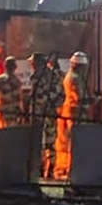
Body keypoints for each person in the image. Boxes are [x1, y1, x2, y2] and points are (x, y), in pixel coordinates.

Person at [54, 51, 92, 180]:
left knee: (68, 141)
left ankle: (65, 169)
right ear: (79, 66)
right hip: (75, 113)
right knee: (75, 141)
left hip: (71, 111)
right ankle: (71, 170)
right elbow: (79, 98)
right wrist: (93, 100)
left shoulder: (71, 76)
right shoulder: (75, 78)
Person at [28, 52, 64, 178]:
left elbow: (37, 97)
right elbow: (61, 94)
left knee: (37, 143)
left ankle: (38, 169)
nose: (31, 65)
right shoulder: (54, 74)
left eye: (32, 63)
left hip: (39, 115)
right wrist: (54, 105)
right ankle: (50, 170)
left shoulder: (37, 76)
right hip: (51, 113)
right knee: (50, 142)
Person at [0, 57, 25, 128]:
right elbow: (19, 99)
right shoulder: (17, 81)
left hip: (3, 111)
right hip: (14, 112)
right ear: (14, 67)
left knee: (3, 133)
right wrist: (21, 112)